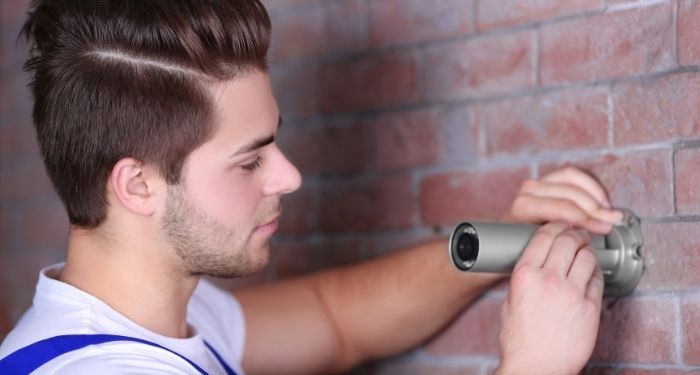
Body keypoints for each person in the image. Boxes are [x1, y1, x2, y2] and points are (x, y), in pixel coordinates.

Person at [0, 0, 624, 374]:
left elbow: (337, 319)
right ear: (137, 185)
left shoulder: (148, 313)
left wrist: (503, 243)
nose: (288, 175)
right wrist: (534, 364)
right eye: (249, 162)